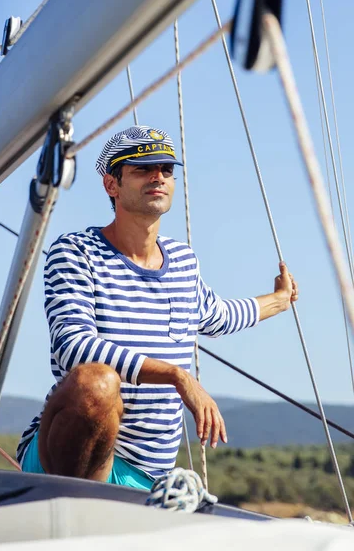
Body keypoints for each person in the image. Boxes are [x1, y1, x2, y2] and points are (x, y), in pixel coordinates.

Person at [17, 125, 298, 490]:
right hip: (67, 459)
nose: (158, 177)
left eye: (167, 169)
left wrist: (279, 300)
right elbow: (73, 348)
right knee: (96, 384)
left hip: (147, 477)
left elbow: (216, 315)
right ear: (111, 185)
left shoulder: (182, 261)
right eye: (143, 169)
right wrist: (178, 376)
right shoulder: (76, 252)